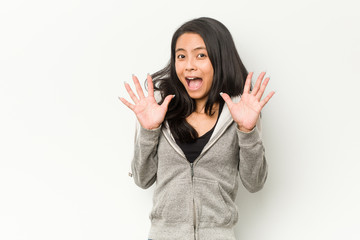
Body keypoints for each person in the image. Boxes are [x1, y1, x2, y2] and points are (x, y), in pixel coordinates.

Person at [119, 17, 275, 240]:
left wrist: (247, 131)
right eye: (181, 56)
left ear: (220, 60)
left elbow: (255, 182)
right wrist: (149, 130)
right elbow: (142, 180)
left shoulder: (240, 112)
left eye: (201, 55)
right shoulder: (158, 110)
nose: (189, 64)